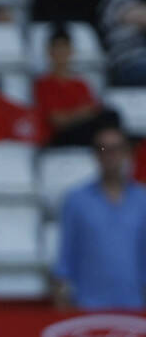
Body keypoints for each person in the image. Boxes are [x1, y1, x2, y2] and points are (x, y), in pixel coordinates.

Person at [54, 125, 146, 310]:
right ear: (94, 154)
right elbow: (65, 257)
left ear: (127, 153)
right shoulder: (76, 200)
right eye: (102, 148)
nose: (109, 154)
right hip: (88, 308)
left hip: (135, 309)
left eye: (116, 148)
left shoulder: (143, 200)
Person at [34, 25, 112, 146]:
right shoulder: (43, 84)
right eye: (57, 47)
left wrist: (75, 115)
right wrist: (83, 113)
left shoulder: (81, 84)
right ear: (49, 51)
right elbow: (57, 121)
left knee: (111, 117)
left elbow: (93, 110)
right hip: (59, 137)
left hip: (83, 132)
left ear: (71, 50)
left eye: (64, 47)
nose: (61, 53)